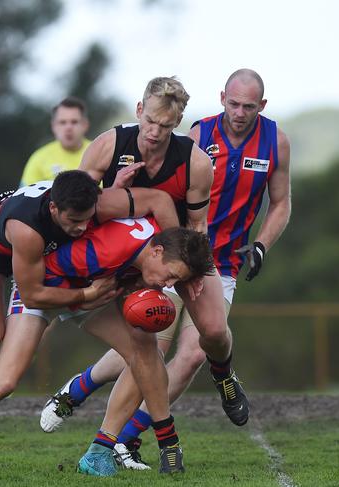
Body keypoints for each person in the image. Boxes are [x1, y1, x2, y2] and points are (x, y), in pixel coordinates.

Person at [40, 69, 291, 471]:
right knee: (148, 345)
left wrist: (247, 250)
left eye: (249, 106)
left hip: (203, 257)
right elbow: (82, 205)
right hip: (153, 258)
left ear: (261, 106)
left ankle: (223, 375)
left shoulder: (237, 149)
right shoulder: (177, 140)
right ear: (222, 97)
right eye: (233, 103)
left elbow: (210, 223)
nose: (156, 133)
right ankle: (112, 438)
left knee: (206, 340)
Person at [0, 199, 215, 479]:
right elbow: (39, 290)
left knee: (145, 353)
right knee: (4, 381)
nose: (169, 285)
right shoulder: (100, 253)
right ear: (156, 252)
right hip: (47, 290)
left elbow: (156, 207)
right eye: (171, 276)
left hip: (90, 289)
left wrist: (158, 283)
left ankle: (103, 449)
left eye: (176, 281)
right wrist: (86, 296)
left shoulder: (156, 242)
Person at [0, 170, 179, 415]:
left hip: (41, 255)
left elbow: (159, 200)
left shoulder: (99, 202)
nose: (83, 226)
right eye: (74, 221)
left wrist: (174, 254)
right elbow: (32, 296)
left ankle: (118, 436)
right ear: (54, 208)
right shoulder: (27, 229)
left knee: (143, 355)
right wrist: (86, 295)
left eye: (87, 218)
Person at [19, 97, 91, 186]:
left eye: (74, 122)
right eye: (62, 122)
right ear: (53, 126)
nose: (68, 128)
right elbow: (25, 196)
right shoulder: (39, 158)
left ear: (85, 125)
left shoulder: (100, 153)